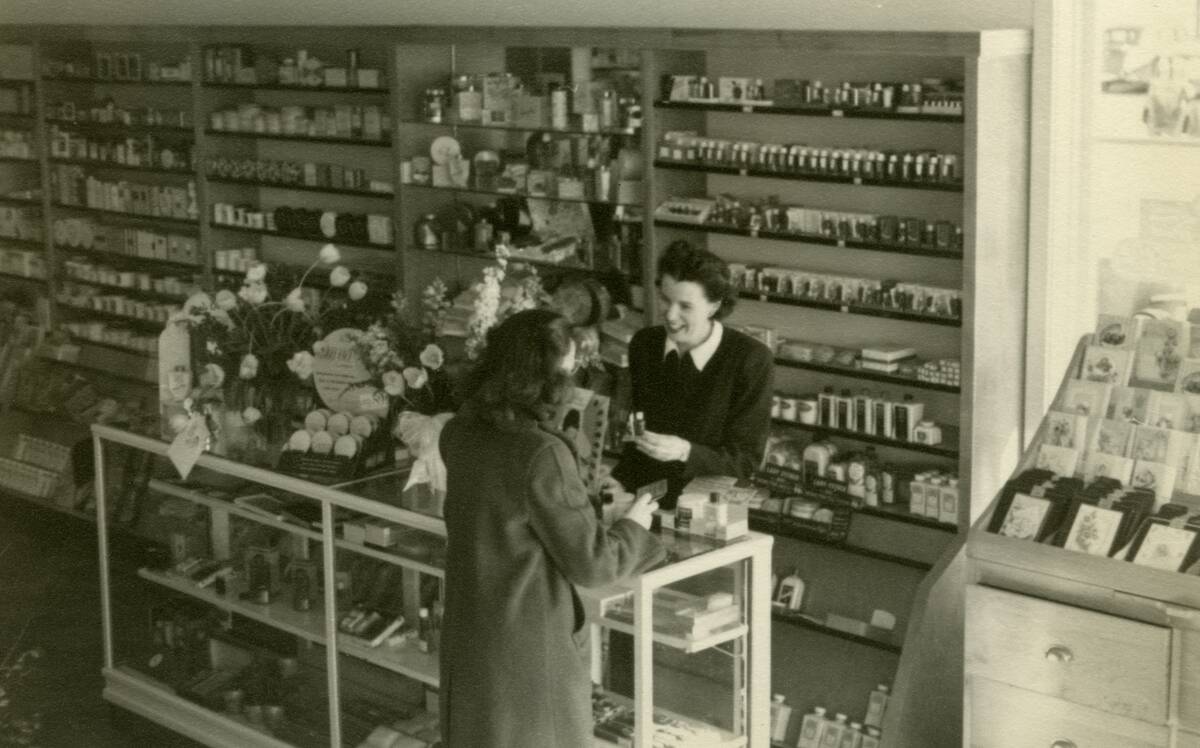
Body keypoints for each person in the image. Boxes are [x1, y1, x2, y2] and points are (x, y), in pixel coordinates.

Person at [438, 308, 665, 748]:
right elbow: (594, 565)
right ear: (547, 376)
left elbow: (509, 511)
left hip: (470, 638)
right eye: (569, 369)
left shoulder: (459, 432)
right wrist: (635, 524)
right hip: (528, 652)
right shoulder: (542, 452)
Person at [610, 240, 775, 509]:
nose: (670, 315)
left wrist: (685, 451)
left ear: (714, 306)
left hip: (709, 508)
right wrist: (620, 480)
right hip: (644, 501)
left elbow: (745, 460)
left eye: (685, 306)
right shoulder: (645, 344)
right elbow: (638, 428)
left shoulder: (751, 359)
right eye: (665, 299)